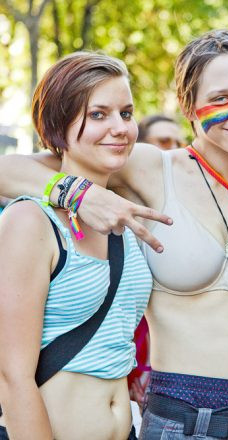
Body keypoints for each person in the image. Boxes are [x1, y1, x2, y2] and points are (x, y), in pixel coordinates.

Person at [0, 30, 228, 440]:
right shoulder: (148, 167)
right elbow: (14, 169)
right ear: (188, 105)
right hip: (187, 415)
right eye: (221, 98)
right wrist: (78, 192)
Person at [0, 52, 155, 440]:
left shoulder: (125, 215)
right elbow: (11, 375)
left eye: (126, 112)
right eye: (98, 114)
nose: (119, 127)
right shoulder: (30, 220)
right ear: (57, 127)